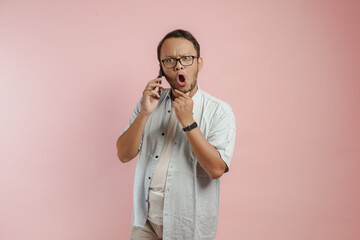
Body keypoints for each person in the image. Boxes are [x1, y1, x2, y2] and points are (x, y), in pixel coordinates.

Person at [116, 29, 236, 240]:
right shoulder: (149, 103)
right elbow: (124, 154)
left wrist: (188, 122)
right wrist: (145, 113)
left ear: (199, 63)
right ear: (161, 68)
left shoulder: (219, 111)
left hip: (187, 226)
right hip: (145, 223)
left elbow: (216, 169)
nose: (179, 65)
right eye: (169, 60)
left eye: (186, 58)